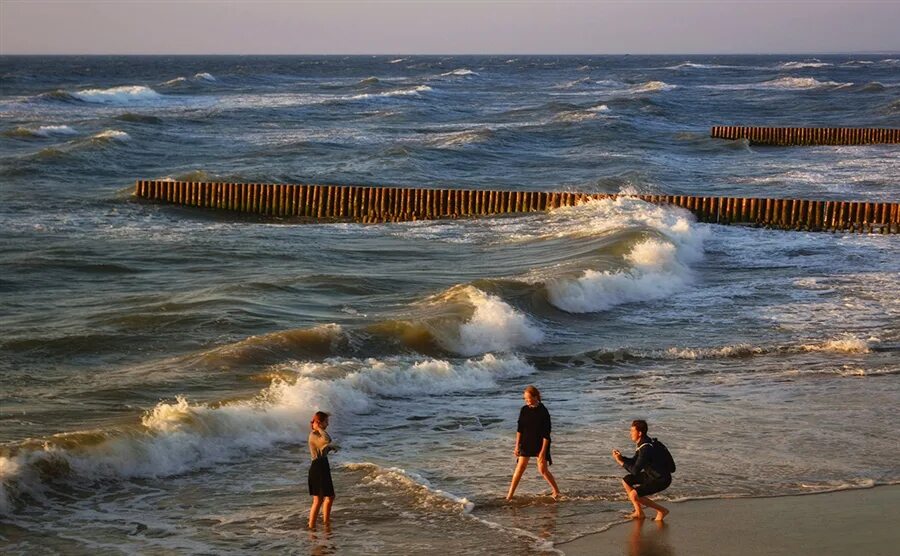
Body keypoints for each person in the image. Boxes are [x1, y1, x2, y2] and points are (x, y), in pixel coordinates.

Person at [506, 385, 561, 501]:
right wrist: (517, 446)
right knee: (520, 467)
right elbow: (519, 429)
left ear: (535, 397)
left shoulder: (543, 412)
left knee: (542, 470)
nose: (526, 401)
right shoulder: (524, 410)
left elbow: (546, 434)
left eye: (528, 398)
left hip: (541, 443)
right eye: (524, 399)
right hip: (526, 442)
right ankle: (509, 495)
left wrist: (542, 452)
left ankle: (556, 490)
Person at [612, 419, 671, 521]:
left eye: (632, 431)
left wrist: (620, 462)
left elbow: (635, 471)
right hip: (652, 474)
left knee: (634, 495)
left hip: (661, 479)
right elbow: (635, 462)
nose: (630, 434)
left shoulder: (646, 448)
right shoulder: (644, 443)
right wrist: (622, 458)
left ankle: (662, 510)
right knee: (626, 480)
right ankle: (639, 512)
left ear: (639, 433)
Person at [308, 411, 338, 529]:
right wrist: (319, 428)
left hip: (323, 466)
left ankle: (326, 522)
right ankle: (311, 525)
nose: (328, 424)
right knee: (318, 499)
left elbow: (323, 447)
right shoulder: (314, 434)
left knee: (330, 496)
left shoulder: (317, 435)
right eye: (326, 421)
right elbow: (326, 440)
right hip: (317, 468)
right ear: (319, 422)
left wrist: (330, 449)